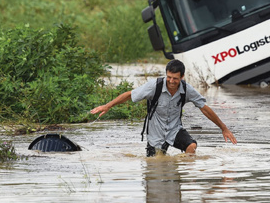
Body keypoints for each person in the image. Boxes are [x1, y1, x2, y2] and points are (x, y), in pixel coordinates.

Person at [90, 59, 237, 157]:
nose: (171, 81)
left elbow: (204, 108)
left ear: (182, 77)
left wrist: (223, 128)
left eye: (175, 78)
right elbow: (130, 95)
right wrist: (107, 106)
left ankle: (182, 177)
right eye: (169, 77)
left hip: (175, 129)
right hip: (156, 135)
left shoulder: (187, 90)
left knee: (191, 146)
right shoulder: (154, 86)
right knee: (156, 166)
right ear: (166, 74)